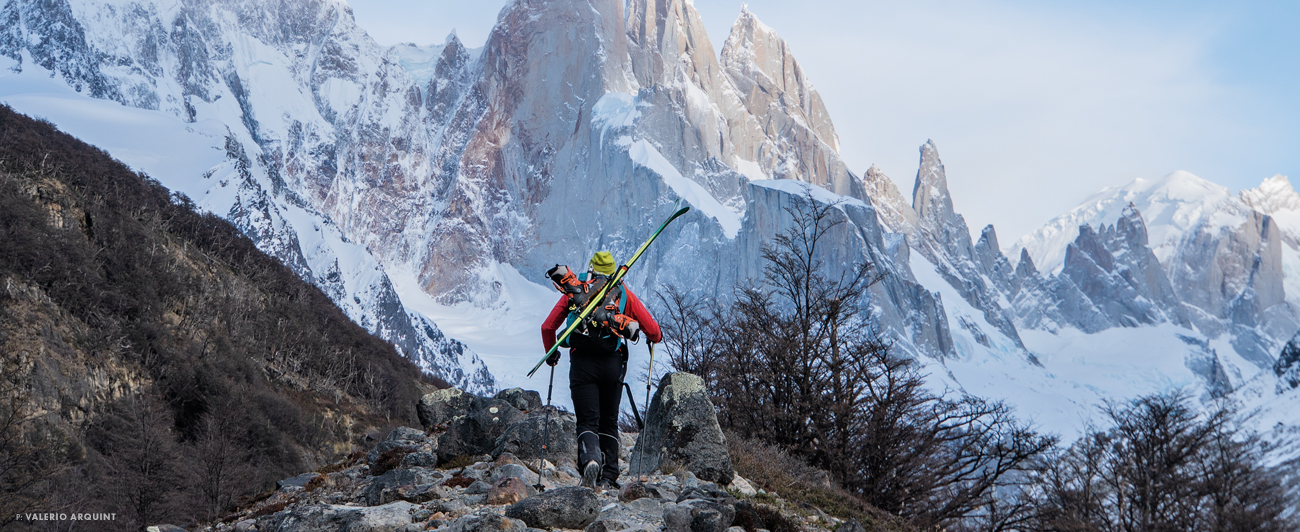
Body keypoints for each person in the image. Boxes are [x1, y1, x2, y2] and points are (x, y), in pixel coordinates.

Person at [541, 251, 661, 489]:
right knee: (609, 421)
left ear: (591, 269)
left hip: (582, 364)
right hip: (612, 364)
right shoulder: (623, 293)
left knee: (587, 421)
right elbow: (654, 332)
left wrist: (551, 353)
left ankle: (590, 461)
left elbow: (548, 327)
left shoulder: (577, 291)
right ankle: (609, 476)